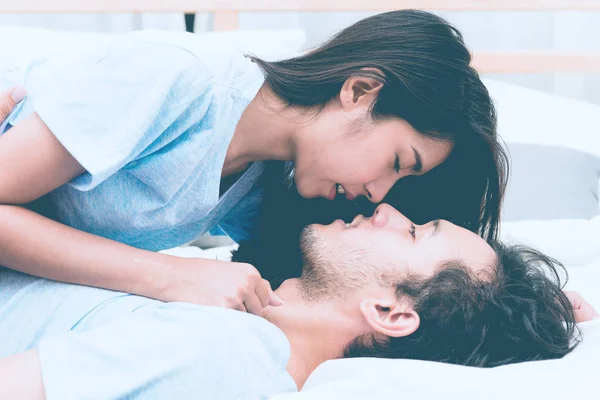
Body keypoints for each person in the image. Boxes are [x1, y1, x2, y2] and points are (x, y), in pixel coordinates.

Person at [0, 10, 507, 313]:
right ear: (358, 91)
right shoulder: (181, 80)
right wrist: (167, 275)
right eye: (398, 160)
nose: (378, 193)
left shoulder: (265, 177)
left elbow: (367, 279)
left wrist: (503, 305)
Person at [0, 204, 592, 400]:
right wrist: (544, 307)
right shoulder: (225, 305)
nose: (388, 210)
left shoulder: (223, 352)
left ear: (391, 313)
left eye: (413, 233)